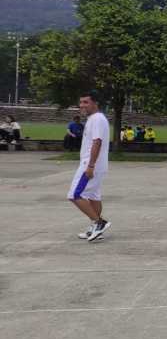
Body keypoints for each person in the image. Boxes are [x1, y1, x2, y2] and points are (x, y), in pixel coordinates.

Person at [69, 90, 111, 242]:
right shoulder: (94, 119)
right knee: (93, 197)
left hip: (91, 164)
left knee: (75, 195)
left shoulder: (97, 119)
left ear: (95, 103)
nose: (82, 105)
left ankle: (98, 223)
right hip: (97, 164)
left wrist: (91, 166)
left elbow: (97, 142)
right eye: (81, 102)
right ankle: (96, 228)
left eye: (86, 102)